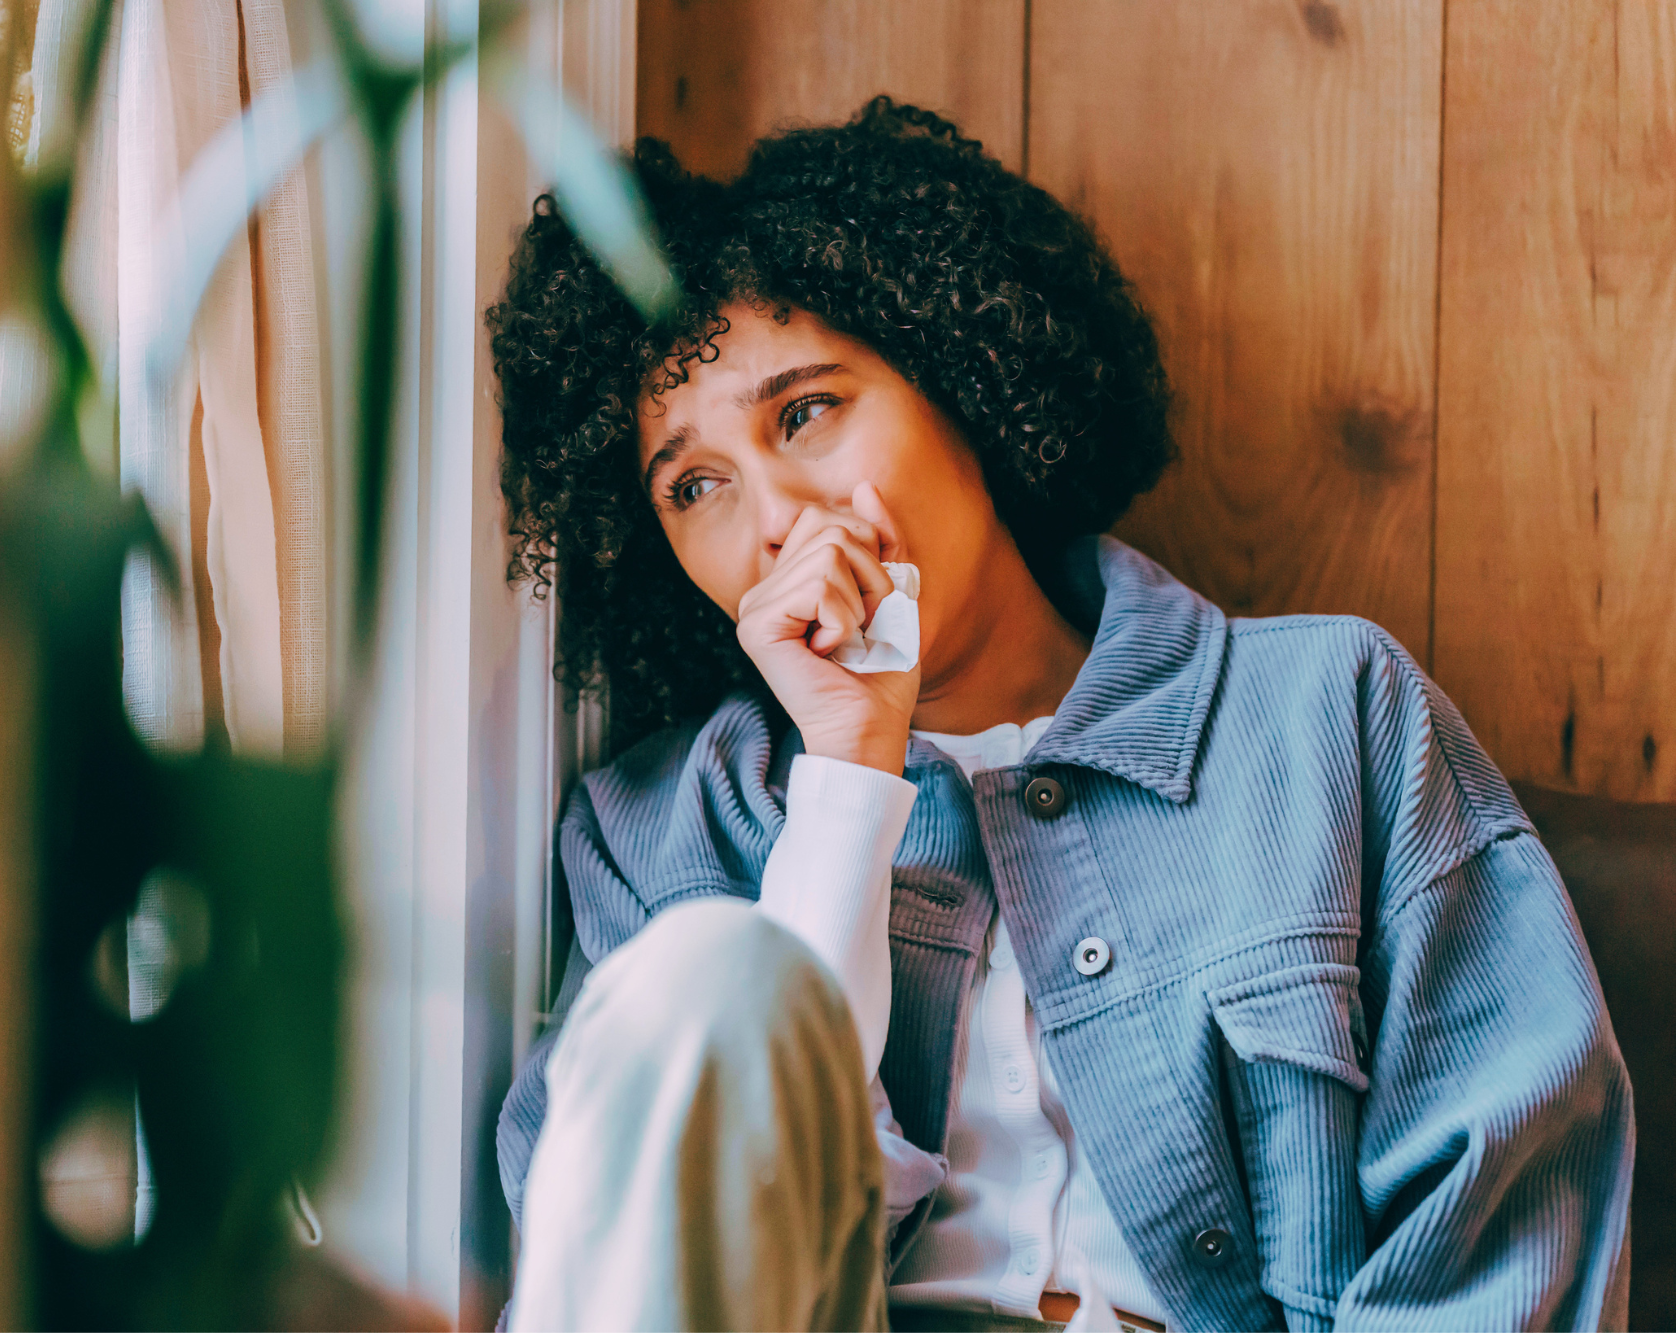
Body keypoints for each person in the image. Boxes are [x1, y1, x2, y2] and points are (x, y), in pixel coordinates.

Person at [485, 99, 1633, 1332]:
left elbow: (1505, 1220)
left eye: (806, 410)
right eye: (694, 484)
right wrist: (845, 784)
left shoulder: (1326, 716)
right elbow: (644, 1277)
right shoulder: (656, 829)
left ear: (954, 375)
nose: (771, 518)